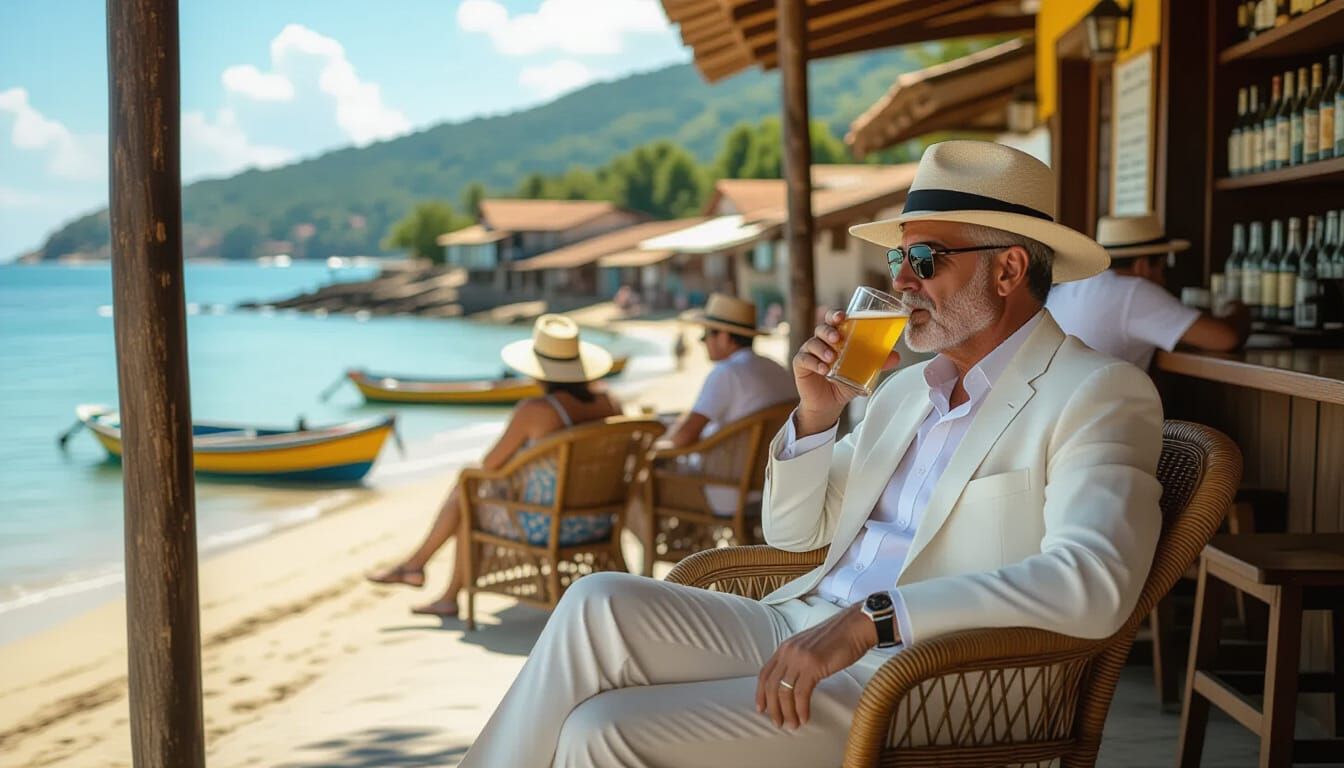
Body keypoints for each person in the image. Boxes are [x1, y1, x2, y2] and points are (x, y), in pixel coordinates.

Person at [457, 141, 1164, 767]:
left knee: (601, 730)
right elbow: (795, 536)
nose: (902, 282)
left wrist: (874, 619)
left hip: (927, 677)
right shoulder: (903, 390)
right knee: (596, 600)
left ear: (1009, 270)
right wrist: (817, 416)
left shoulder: (1097, 391)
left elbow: (1093, 583)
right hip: (800, 619)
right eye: (897, 258)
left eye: (923, 259)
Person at [365, 314, 621, 618]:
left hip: (549, 525)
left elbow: (489, 464)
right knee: (468, 491)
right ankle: (425, 575)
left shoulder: (536, 410)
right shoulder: (610, 401)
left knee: (467, 491)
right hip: (601, 519)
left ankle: (421, 572)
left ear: (539, 370)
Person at [1047, 213, 1249, 369]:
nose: (1163, 278)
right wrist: (1238, 307)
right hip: (1096, 420)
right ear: (1142, 266)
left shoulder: (1075, 284)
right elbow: (1226, 338)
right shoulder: (1133, 291)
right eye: (1162, 267)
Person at [663, 292, 797, 450]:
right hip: (767, 467)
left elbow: (683, 437)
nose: (702, 341)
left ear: (724, 337)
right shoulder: (776, 368)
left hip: (722, 470)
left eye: (706, 334)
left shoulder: (726, 372)